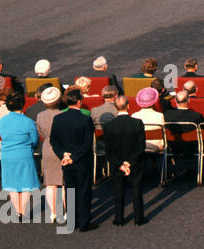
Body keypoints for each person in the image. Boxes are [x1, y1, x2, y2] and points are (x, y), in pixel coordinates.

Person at [50, 88, 96, 231]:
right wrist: (74, 157)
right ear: (79, 102)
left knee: (70, 190)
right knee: (83, 191)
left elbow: (54, 141)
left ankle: (72, 221)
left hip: (66, 160)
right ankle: (84, 222)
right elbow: (87, 143)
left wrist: (64, 155)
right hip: (81, 160)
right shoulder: (86, 119)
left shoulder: (58, 118)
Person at [104, 95, 147, 227]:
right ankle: (139, 218)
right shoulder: (137, 123)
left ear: (115, 108)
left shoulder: (109, 126)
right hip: (135, 161)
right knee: (136, 188)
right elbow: (141, 146)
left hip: (117, 162)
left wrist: (120, 164)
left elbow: (109, 150)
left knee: (118, 189)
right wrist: (130, 162)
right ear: (128, 106)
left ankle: (119, 218)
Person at [0, 91, 40, 217]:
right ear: (22, 104)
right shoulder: (28, 121)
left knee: (12, 184)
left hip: (7, 154)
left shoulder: (3, 120)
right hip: (24, 154)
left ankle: (17, 210)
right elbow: (34, 140)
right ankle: (23, 210)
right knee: (26, 184)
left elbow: (2, 135)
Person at [35, 86, 66, 223]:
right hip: (63, 147)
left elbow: (40, 132)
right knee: (65, 182)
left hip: (47, 148)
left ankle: (53, 212)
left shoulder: (40, 115)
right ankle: (66, 211)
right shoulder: (63, 114)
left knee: (50, 183)